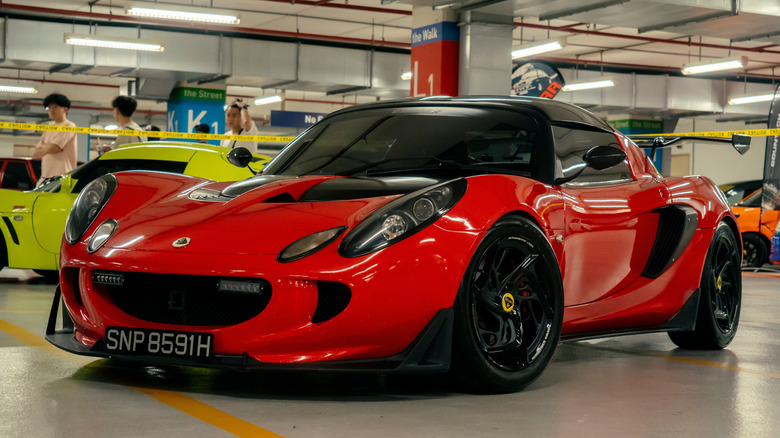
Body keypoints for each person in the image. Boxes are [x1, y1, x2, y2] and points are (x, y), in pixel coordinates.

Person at [32, 93, 78, 183]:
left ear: (65, 109)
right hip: (45, 179)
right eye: (49, 108)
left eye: (55, 107)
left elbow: (55, 147)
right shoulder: (49, 129)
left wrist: (44, 147)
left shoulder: (69, 126)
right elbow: (36, 152)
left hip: (62, 178)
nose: (51, 111)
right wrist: (49, 147)